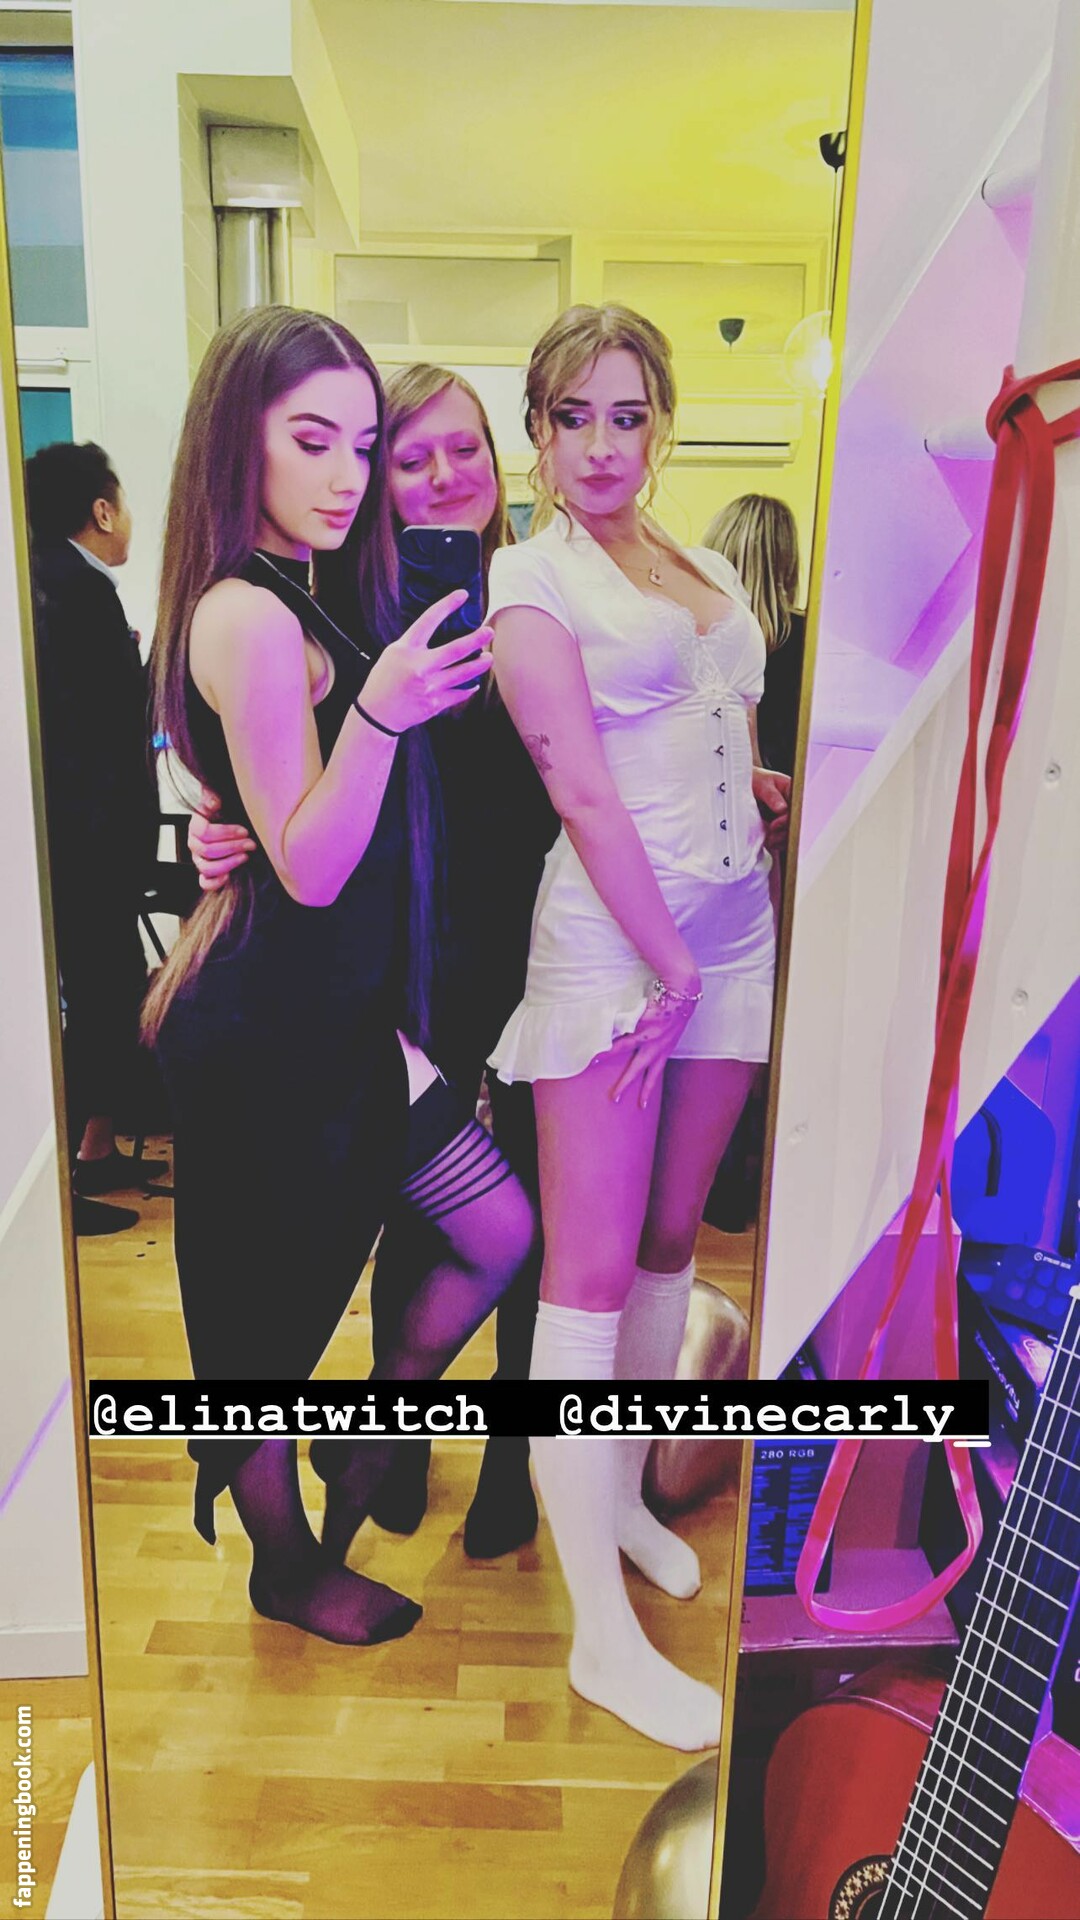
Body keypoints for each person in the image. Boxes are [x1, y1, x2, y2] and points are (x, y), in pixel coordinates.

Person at [142, 305, 535, 1647]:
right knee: (259, 1328)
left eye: (363, 446)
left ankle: (371, 1427)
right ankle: (284, 1563)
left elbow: (287, 817)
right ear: (235, 437)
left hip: (342, 1015)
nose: (348, 475)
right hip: (267, 1026)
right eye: (314, 440)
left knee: (495, 1232)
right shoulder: (246, 612)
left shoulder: (305, 587)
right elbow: (310, 866)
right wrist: (376, 712)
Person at [484, 305, 790, 1751]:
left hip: (733, 936)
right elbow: (583, 791)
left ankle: (614, 1505)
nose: (601, 445)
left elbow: (712, 720)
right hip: (620, 950)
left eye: (626, 414)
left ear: (661, 421)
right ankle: (598, 1634)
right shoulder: (530, 578)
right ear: (537, 432)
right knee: (591, 1275)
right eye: (572, 416)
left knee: (674, 1243)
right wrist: (667, 969)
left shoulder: (700, 561)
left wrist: (755, 782)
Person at [26, 441, 166, 1236]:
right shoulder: (79, 591)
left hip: (70, 846)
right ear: (103, 510)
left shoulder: (43, 581)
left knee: (105, 992)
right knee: (105, 996)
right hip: (88, 850)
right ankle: (62, 1186)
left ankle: (96, 1149)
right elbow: (102, 733)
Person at [703, 493, 805, 777]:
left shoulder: (690, 631)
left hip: (707, 787)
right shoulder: (811, 641)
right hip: (787, 792)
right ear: (788, 562)